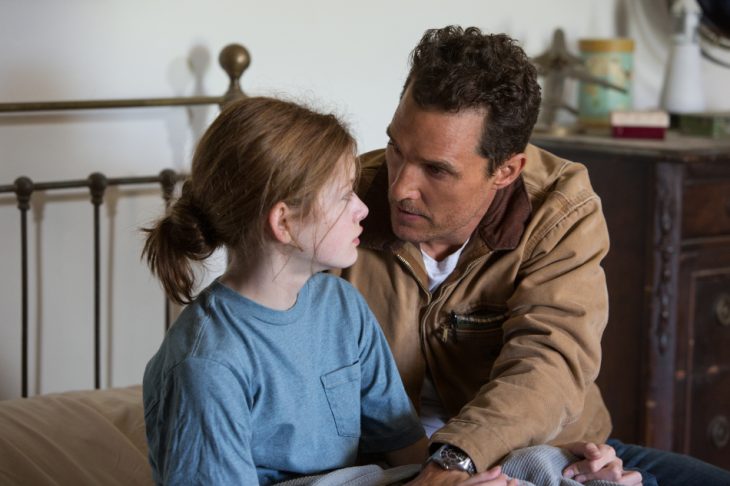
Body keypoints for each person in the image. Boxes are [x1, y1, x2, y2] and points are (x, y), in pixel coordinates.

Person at [339, 25, 730, 486]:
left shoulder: (561, 210)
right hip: (386, 461)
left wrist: (455, 461)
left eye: (436, 170)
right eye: (396, 149)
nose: (400, 185)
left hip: (546, 452)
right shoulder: (342, 197)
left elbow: (548, 361)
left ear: (506, 170)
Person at [140, 96, 432, 485]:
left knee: (534, 463)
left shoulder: (342, 305)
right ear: (284, 222)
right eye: (345, 195)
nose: (362, 209)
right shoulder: (208, 365)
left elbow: (408, 449)